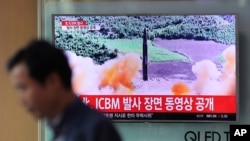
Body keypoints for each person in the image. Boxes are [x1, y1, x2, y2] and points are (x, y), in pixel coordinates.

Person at [6, 39, 122, 141]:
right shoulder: (62, 129)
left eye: (23, 88)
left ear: (52, 81)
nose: (21, 100)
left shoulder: (96, 130)